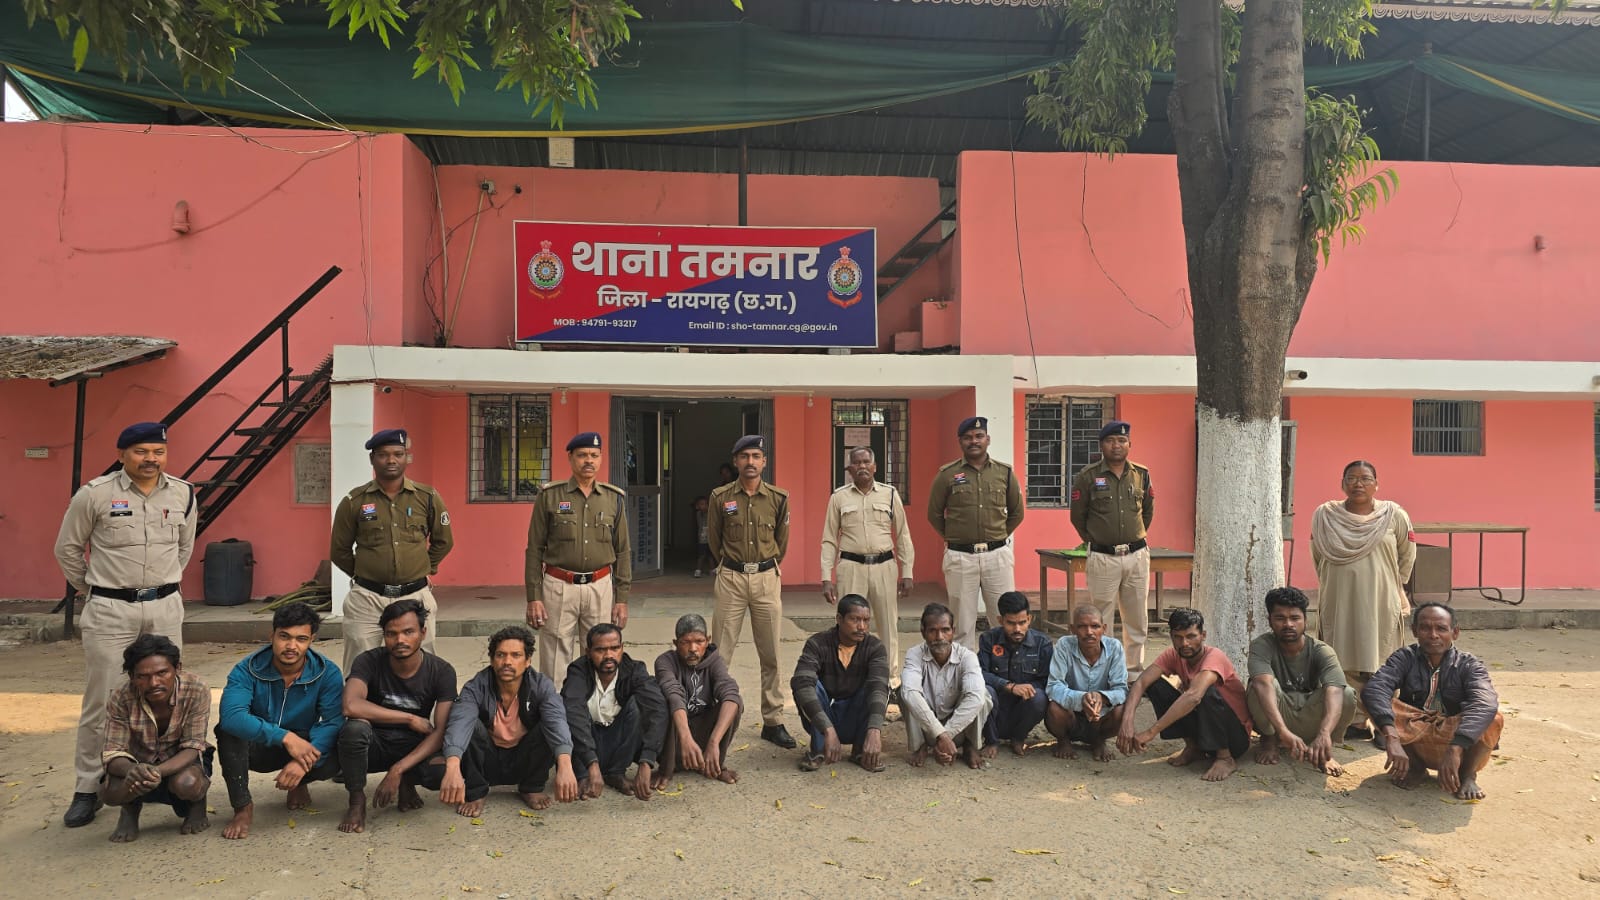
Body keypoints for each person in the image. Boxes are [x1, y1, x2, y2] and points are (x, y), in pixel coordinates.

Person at [54, 421, 196, 828]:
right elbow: (67, 549)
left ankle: (170, 781)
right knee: (105, 699)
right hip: (111, 610)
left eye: (158, 451)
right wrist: (97, 591)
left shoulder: (183, 493)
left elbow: (184, 548)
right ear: (122, 455)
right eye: (141, 451)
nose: (151, 459)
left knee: (167, 694)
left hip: (164, 607)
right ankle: (88, 787)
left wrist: (162, 587)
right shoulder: (94, 495)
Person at [216, 602, 344, 839]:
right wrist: (284, 737)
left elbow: (333, 721)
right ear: (272, 635)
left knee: (343, 741)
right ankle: (243, 806)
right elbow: (232, 717)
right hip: (260, 745)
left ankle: (299, 782)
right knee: (228, 732)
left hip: (303, 745)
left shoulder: (327, 672)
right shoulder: (246, 669)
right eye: (284, 637)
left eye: (301, 639)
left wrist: (302, 763)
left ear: (312, 640)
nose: (291, 646)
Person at [330, 428, 454, 671]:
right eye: (383, 455)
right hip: (367, 598)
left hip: (415, 596)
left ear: (406, 457)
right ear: (372, 459)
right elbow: (339, 550)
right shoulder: (354, 501)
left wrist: (423, 568)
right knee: (359, 665)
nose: (391, 460)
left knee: (422, 665)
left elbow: (444, 541)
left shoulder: (427, 497)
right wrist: (365, 573)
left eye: (398, 454)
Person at [1313, 459, 1415, 738]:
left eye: (1365, 478)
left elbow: (1407, 555)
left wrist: (1393, 586)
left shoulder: (1394, 515)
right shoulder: (1325, 515)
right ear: (1342, 483)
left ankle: (1384, 722)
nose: (1358, 484)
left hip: (1381, 599)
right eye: (1352, 478)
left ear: (1376, 484)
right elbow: (1318, 555)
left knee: (1382, 659)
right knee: (1341, 658)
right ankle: (1355, 721)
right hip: (1339, 598)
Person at [335, 598, 456, 833]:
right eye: (392, 633)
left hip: (412, 745)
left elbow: (441, 730)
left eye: (408, 632)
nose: (400, 640)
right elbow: (350, 706)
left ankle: (406, 781)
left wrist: (398, 770)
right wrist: (409, 718)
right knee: (354, 730)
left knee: (440, 770)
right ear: (384, 635)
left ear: (423, 633)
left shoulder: (441, 671)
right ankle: (356, 801)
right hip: (375, 742)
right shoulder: (368, 661)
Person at [1363, 603, 1504, 801]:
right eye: (1425, 628)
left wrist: (1456, 747)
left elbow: (1485, 703)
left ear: (1455, 633)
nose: (1433, 635)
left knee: (1492, 718)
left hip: (1456, 744)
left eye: (1441, 628)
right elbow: (1375, 688)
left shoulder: (1469, 664)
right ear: (1415, 631)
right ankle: (1416, 768)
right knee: (1376, 700)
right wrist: (1391, 737)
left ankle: (1467, 775)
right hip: (1416, 734)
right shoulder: (1404, 657)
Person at [525, 431, 632, 689]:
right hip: (559, 585)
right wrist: (534, 597)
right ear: (571, 458)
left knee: (600, 652)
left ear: (601, 458)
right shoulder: (550, 496)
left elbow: (623, 551)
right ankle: (555, 709)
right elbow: (534, 549)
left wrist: (622, 598)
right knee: (555, 655)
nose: (589, 461)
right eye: (582, 455)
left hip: (600, 585)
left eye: (594, 455)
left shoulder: (613, 498)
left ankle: (593, 706)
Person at [708, 434, 795, 749]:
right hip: (731, 577)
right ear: (736, 461)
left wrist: (764, 567)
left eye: (756, 456)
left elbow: (781, 542)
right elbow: (714, 539)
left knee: (770, 653)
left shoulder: (778, 498)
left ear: (764, 462)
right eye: (744, 456)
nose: (750, 462)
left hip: (766, 579)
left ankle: (773, 721)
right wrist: (731, 565)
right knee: (720, 653)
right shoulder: (720, 497)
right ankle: (713, 717)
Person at [440, 627, 579, 816]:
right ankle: (476, 792)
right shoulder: (476, 686)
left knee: (547, 725)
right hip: (488, 759)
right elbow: (460, 721)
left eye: (516, 655)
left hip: (524, 758)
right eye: (500, 655)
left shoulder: (541, 685)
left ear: (528, 661)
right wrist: (452, 766)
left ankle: (531, 787)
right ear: (491, 660)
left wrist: (565, 764)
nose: (507, 662)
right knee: (470, 725)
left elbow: (556, 721)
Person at [98, 633, 211, 842]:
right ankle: (130, 810)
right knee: (110, 793)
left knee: (187, 784)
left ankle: (197, 803)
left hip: (180, 760)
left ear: (177, 668)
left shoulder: (196, 689)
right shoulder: (121, 697)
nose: (153, 683)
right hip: (138, 762)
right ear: (132, 676)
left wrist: (157, 772)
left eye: (162, 673)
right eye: (143, 676)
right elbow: (113, 752)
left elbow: (193, 746)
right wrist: (132, 771)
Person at [1118, 608, 1251, 782]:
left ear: (1203, 635)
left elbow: (1194, 696)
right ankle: (1194, 747)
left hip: (1235, 738)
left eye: (1191, 636)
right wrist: (1127, 722)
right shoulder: (1173, 655)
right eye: (1178, 637)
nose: (1185, 643)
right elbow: (1141, 682)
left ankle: (1225, 758)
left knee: (1204, 691)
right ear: (1171, 637)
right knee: (1155, 685)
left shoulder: (1214, 656)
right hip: (1205, 730)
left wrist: (1151, 732)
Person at [926, 416, 1024, 649]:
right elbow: (934, 514)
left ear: (987, 439)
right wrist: (956, 537)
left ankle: (1002, 668)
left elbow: (1017, 512)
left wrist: (997, 536)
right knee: (961, 624)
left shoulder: (1004, 473)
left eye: (979, 436)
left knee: (1004, 619)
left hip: (997, 556)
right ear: (960, 441)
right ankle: (964, 669)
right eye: (968, 437)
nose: (974, 441)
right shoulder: (947, 474)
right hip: (960, 557)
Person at [821, 446, 915, 686]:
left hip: (884, 566)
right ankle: (850, 679)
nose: (862, 466)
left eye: (866, 462)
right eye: (857, 462)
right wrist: (826, 577)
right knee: (850, 626)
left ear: (875, 467)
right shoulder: (838, 497)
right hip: (851, 567)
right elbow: (829, 539)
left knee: (888, 625)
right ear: (849, 469)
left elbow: (903, 535)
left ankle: (890, 680)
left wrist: (907, 572)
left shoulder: (890, 494)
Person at [1069, 420, 1155, 672]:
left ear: (1129, 444)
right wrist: (1097, 538)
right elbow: (1078, 517)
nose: (1116, 445)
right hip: (1103, 557)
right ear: (1101, 445)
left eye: (1121, 440)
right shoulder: (1088, 476)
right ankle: (1104, 669)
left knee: (1137, 616)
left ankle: (1133, 669)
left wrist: (1133, 536)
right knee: (1100, 617)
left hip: (1136, 555)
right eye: (1110, 441)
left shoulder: (1141, 474)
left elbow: (1147, 512)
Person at [1247, 587, 1355, 776]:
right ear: (1269, 620)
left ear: (1305, 620)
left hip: (1309, 715)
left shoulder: (1322, 651)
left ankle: (1323, 748)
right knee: (1259, 686)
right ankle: (1270, 740)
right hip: (1278, 716)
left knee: (1345, 693)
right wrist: (1282, 731)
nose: (1288, 624)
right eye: (1280, 618)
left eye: (1295, 618)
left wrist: (1324, 733)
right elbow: (1263, 684)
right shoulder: (1261, 645)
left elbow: (1335, 691)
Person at [561, 624, 668, 801]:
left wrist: (647, 761)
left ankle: (616, 773)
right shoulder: (578, 671)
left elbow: (658, 709)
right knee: (568, 710)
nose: (608, 655)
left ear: (622, 648)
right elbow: (573, 713)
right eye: (600, 650)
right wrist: (591, 764)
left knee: (638, 705)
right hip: (585, 745)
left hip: (617, 740)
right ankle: (582, 775)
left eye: (614, 648)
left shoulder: (635, 670)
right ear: (588, 652)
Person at [791, 595, 890, 773]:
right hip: (822, 719)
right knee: (807, 685)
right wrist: (828, 729)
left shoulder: (874, 647)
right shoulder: (817, 643)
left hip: (855, 717)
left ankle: (861, 751)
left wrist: (875, 730)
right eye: (855, 619)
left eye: (866, 620)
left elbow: (879, 688)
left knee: (876, 688)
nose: (862, 626)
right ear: (839, 619)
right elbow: (801, 682)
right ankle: (818, 749)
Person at [653, 614, 743, 787]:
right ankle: (667, 769)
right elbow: (674, 695)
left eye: (699, 641)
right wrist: (686, 738)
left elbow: (730, 693)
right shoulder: (665, 662)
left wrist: (713, 742)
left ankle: (713, 764)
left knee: (734, 702)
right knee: (664, 705)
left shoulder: (715, 661)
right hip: (675, 735)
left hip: (703, 733)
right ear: (675, 643)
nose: (693, 648)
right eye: (685, 642)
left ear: (708, 641)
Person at [901, 603, 991, 770]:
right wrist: (940, 735)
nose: (939, 637)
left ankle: (970, 745)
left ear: (953, 631)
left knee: (982, 695)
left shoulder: (967, 656)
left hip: (959, 728)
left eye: (945, 630)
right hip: (927, 729)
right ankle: (920, 746)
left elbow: (976, 697)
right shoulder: (915, 654)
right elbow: (910, 693)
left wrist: (945, 736)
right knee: (906, 692)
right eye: (932, 631)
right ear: (923, 632)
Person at [1044, 606, 1128, 763]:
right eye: (1082, 626)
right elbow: (1053, 686)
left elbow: (1122, 690)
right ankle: (1063, 740)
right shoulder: (1064, 645)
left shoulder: (1115, 647)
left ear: (1104, 628)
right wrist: (1082, 698)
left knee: (1121, 711)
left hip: (1101, 716)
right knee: (1054, 708)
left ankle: (1099, 741)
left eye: (1095, 626)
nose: (1089, 632)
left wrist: (1102, 697)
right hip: (1071, 714)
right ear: (1072, 629)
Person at [976, 591, 1052, 757]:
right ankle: (991, 740)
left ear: (1029, 619)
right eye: (1010, 623)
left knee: (1039, 697)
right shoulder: (988, 639)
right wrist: (1009, 686)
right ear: (1000, 620)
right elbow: (979, 673)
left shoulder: (1042, 643)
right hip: (996, 709)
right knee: (983, 692)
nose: (1017, 629)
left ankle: (1018, 738)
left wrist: (1027, 688)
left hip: (1022, 708)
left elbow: (1048, 680)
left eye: (1022, 622)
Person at [692, 496, 714, 578]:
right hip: (702, 538)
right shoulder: (699, 514)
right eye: (700, 504)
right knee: (701, 555)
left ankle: (712, 570)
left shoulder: (711, 513)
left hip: (711, 538)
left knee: (711, 555)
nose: (703, 506)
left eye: (704, 504)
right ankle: (698, 570)